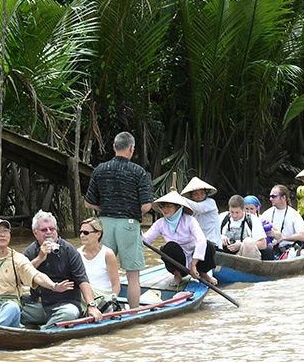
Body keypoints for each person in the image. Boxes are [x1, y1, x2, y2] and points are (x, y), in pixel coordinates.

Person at [85, 131, 153, 308]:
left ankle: (98, 306)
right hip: (129, 225)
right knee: (133, 276)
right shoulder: (138, 172)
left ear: (114, 147)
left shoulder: (100, 170)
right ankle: (133, 314)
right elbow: (146, 206)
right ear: (131, 148)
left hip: (104, 224)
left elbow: (88, 202)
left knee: (103, 270)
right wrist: (130, 210)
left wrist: (105, 208)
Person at [22, 211, 103, 329]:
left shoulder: (69, 250)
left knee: (69, 314)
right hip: (39, 305)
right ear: (35, 233)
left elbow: (82, 280)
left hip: (65, 305)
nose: (49, 233)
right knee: (13, 309)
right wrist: (40, 258)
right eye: (44, 230)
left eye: (52, 229)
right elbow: (20, 279)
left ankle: (42, 332)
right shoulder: (30, 251)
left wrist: (91, 306)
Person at [142, 191, 218, 286]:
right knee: (169, 247)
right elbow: (146, 240)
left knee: (209, 245)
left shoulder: (190, 220)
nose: (165, 209)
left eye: (169, 206)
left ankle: (202, 273)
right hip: (178, 261)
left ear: (178, 207)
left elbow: (201, 240)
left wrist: (194, 264)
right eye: (163, 207)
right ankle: (177, 275)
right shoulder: (160, 223)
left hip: (196, 259)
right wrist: (136, 231)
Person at [77, 217, 121, 306]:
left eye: (86, 233)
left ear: (98, 234)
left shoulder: (107, 254)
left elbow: (116, 284)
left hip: (102, 296)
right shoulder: (77, 253)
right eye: (81, 232)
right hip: (84, 293)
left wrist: (113, 299)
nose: (82, 235)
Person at [261, 185, 304, 257]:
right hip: (271, 248)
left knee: (303, 253)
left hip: (288, 249)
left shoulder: (294, 214)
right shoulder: (267, 213)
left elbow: (302, 236)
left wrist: (282, 238)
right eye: (270, 196)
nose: (270, 199)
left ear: (283, 198)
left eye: (273, 196)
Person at [181, 177, 222, 248]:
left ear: (206, 194)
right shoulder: (190, 209)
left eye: (202, 193)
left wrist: (179, 198)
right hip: (198, 244)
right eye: (196, 194)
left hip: (213, 244)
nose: (199, 196)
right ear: (191, 196)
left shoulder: (210, 202)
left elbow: (199, 208)